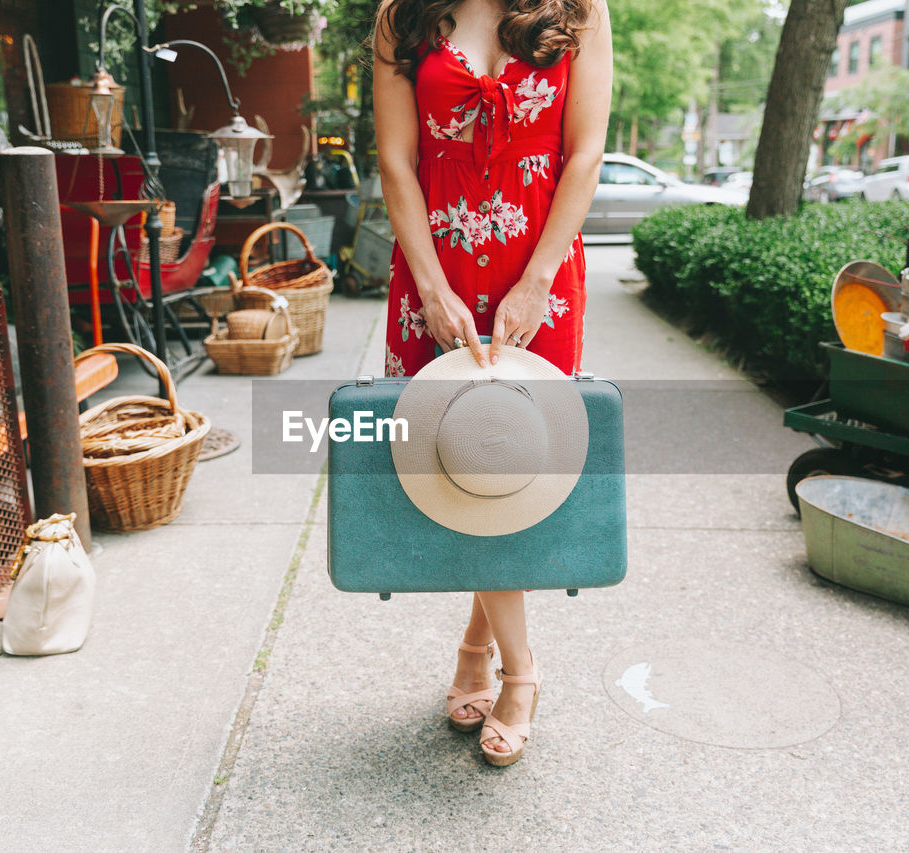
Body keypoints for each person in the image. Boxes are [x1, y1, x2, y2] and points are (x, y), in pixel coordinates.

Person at [372, 0, 612, 765]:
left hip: (538, 277)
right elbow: (395, 161)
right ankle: (505, 662)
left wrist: (539, 279)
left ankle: (501, 661)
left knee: (510, 475)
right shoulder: (400, 15)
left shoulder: (580, 9)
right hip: (434, 271)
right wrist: (433, 289)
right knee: (454, 471)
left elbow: (585, 153)